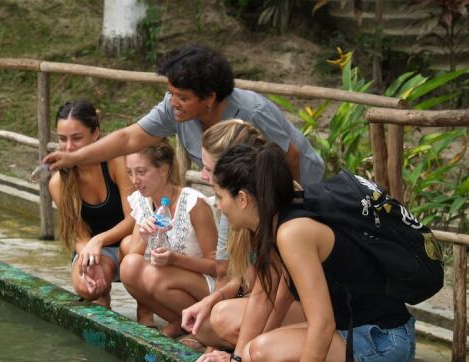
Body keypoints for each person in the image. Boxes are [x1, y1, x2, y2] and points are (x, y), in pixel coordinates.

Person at [196, 144, 415, 362]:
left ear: (242, 199)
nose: (219, 206)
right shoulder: (274, 221)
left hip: (383, 341)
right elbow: (262, 296)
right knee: (252, 361)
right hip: (355, 330)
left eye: (220, 197)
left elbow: (322, 324)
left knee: (262, 354)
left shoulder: (292, 233)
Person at [42, 44, 325, 188]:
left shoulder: (253, 112)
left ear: (210, 98)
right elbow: (129, 138)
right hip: (241, 189)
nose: (173, 103)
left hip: (296, 185)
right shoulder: (174, 108)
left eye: (184, 97)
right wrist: (76, 157)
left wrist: (288, 206)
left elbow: (290, 159)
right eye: (172, 93)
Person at [182, 119, 304, 350]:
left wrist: (241, 357)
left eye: (208, 168)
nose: (203, 175)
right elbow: (250, 280)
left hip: (315, 312)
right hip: (280, 302)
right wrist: (213, 299)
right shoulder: (247, 209)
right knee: (209, 320)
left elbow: (275, 296)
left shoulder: (279, 218)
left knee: (221, 318)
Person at [121, 142, 218, 338]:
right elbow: (133, 257)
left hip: (209, 286)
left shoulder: (194, 204)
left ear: (164, 170)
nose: (134, 180)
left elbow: (219, 267)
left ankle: (204, 330)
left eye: (141, 172)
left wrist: (174, 260)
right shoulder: (142, 201)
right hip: (169, 279)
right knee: (128, 266)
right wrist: (145, 237)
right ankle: (180, 321)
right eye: (129, 172)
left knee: (154, 276)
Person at [47, 100, 135, 308]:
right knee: (88, 285)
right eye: (62, 139)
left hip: (132, 243)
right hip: (97, 250)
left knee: (131, 247)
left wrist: (100, 240)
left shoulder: (116, 162)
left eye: (77, 138)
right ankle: (102, 299)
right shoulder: (57, 183)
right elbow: (79, 234)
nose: (68, 147)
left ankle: (146, 313)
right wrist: (88, 258)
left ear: (95, 134)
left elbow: (134, 218)